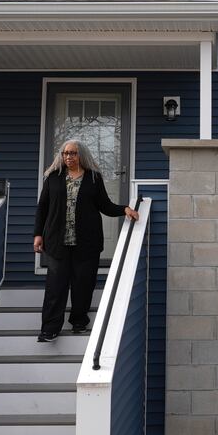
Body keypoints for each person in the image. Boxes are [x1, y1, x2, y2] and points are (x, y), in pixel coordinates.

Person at [33, 139, 138, 342]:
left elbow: (104, 205)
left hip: (87, 242)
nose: (68, 157)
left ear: (81, 155)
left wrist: (124, 208)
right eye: (65, 153)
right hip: (56, 241)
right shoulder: (53, 177)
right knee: (55, 286)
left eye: (73, 153)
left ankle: (79, 322)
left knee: (83, 284)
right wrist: (38, 234)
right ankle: (49, 329)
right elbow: (42, 208)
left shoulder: (93, 178)